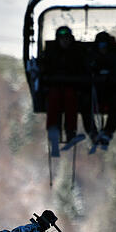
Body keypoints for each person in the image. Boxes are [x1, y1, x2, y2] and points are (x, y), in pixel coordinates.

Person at [41, 25, 87, 157]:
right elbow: (44, 68)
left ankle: (70, 131)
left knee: (70, 98)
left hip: (71, 87)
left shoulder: (76, 53)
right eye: (62, 39)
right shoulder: (51, 53)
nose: (65, 42)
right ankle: (53, 129)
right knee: (54, 97)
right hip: (54, 86)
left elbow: (81, 69)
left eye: (67, 39)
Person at [87, 31, 116, 150]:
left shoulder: (115, 57)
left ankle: (108, 131)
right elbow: (87, 69)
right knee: (85, 100)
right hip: (96, 91)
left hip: (111, 90)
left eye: (105, 46)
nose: (103, 48)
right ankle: (92, 131)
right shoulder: (92, 56)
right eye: (101, 46)